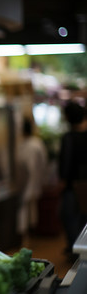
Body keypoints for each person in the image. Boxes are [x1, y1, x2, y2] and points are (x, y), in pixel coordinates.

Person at [58, 100, 87, 256]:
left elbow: (66, 162)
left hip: (72, 185)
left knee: (69, 216)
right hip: (83, 184)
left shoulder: (69, 137)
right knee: (83, 219)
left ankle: (76, 250)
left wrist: (63, 181)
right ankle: (81, 249)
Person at [16, 117, 48, 246]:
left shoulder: (30, 145)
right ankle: (28, 235)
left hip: (29, 183)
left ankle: (26, 237)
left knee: (26, 210)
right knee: (30, 210)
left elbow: (31, 168)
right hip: (33, 183)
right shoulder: (37, 143)